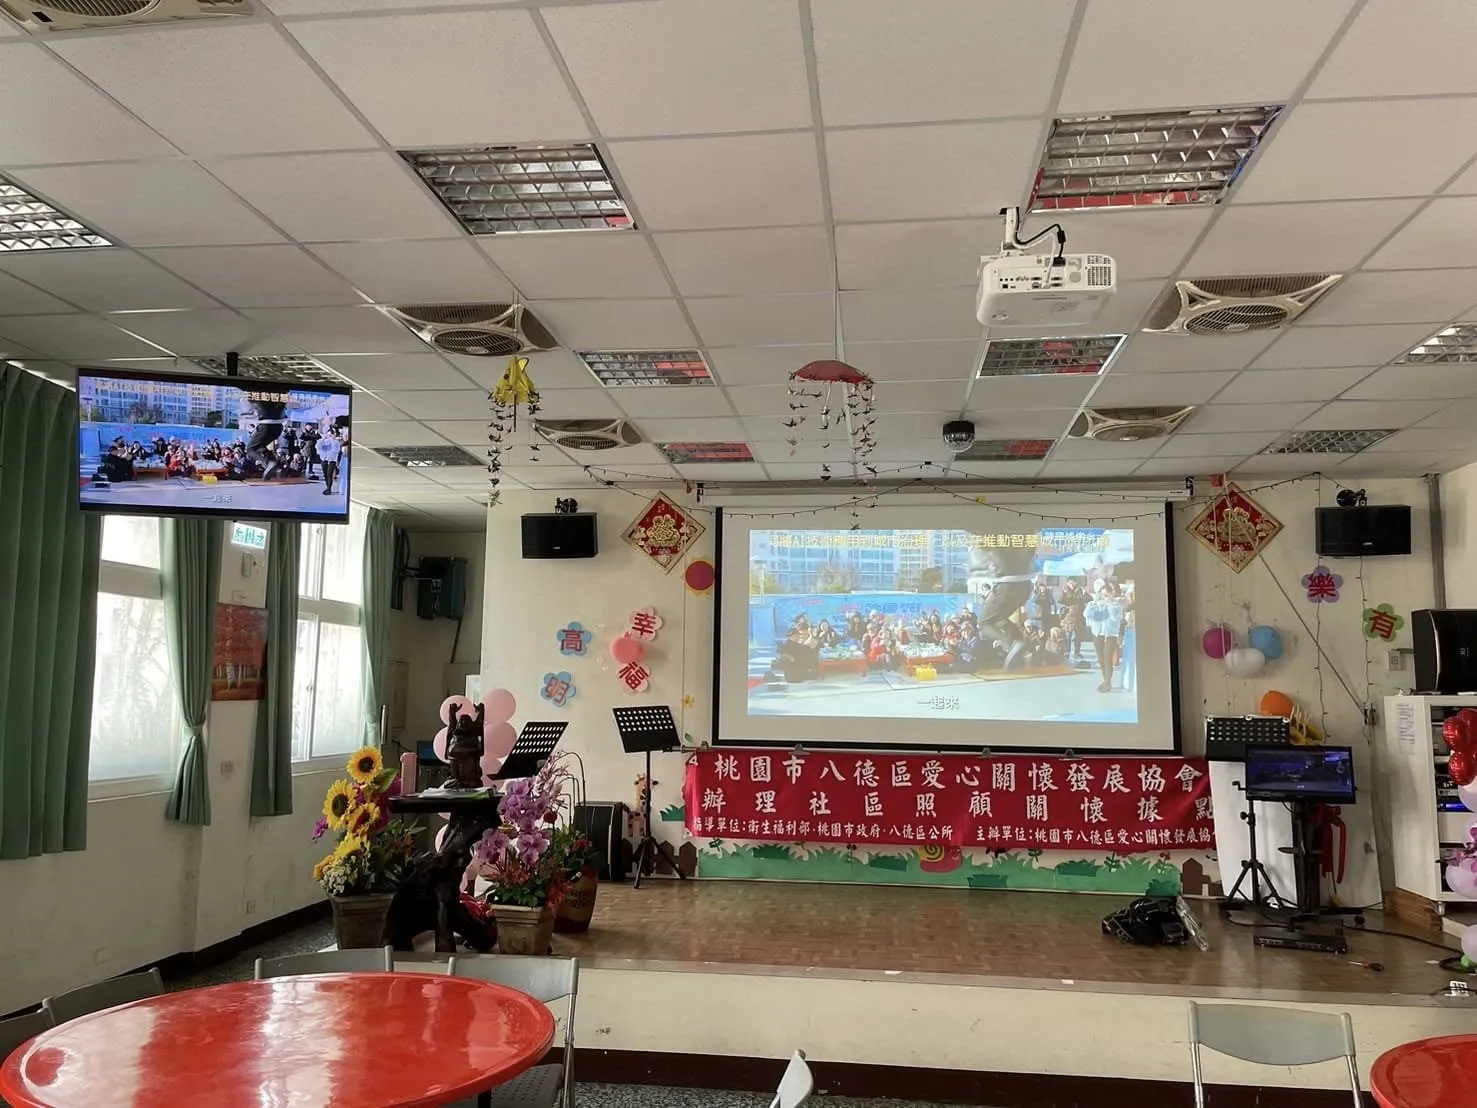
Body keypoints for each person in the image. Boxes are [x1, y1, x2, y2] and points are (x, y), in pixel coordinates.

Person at [1083, 581, 1125, 694]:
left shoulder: (1116, 605)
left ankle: (1107, 682)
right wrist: (1093, 604)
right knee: (1101, 659)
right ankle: (1105, 680)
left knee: (1107, 658)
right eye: (1102, 595)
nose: (1103, 597)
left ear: (1111, 594)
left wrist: (1109, 602)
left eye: (1106, 595)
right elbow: (1086, 615)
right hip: (1097, 633)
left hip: (1111, 634)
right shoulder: (1096, 604)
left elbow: (1115, 617)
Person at [315, 427, 342, 495]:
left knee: (329, 474)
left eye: (331, 435)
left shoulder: (336, 442)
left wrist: (332, 440)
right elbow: (318, 448)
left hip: (332, 460)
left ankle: (329, 489)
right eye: (328, 435)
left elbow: (336, 450)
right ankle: (327, 487)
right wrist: (322, 439)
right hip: (324, 459)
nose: (329, 436)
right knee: (325, 473)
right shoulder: (322, 441)